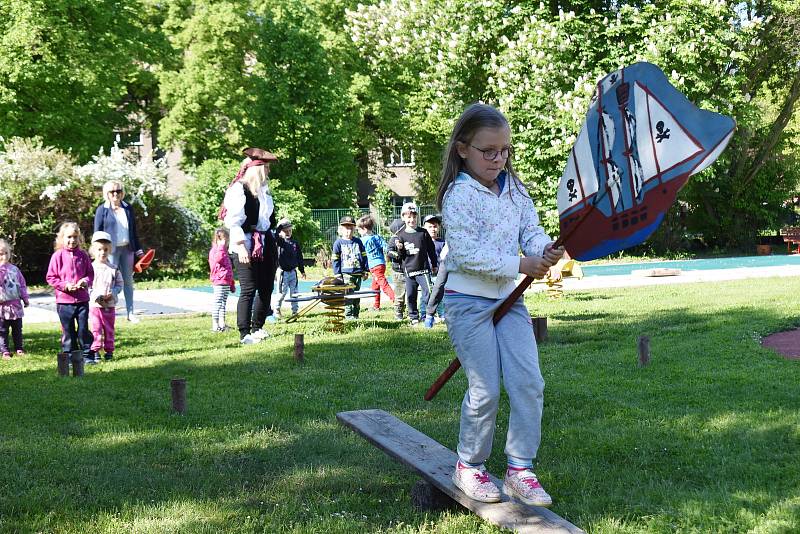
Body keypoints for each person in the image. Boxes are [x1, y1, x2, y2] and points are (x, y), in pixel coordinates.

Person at [439, 103, 563, 507]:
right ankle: (469, 466)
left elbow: (530, 230)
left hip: (508, 301)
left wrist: (543, 251)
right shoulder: (457, 195)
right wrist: (520, 264)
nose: (498, 159)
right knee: (485, 387)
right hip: (468, 301)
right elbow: (466, 253)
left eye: (505, 150)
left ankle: (520, 469)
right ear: (462, 149)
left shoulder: (515, 188)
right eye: (487, 151)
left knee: (529, 381)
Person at [223, 147, 280, 344]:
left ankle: (258, 327)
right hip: (245, 242)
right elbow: (233, 221)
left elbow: (268, 221)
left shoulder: (265, 192)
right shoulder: (239, 189)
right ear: (258, 170)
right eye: (267, 168)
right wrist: (240, 246)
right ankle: (244, 333)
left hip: (265, 242)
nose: (269, 173)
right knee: (249, 288)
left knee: (266, 287)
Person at [93, 180, 144, 323]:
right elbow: (97, 234)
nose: (115, 194)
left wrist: (139, 250)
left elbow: (133, 231)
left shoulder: (128, 208)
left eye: (118, 191)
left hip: (127, 249)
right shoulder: (102, 210)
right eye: (112, 192)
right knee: (108, 281)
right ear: (107, 194)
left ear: (122, 193)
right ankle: (106, 309)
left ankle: (130, 312)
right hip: (110, 251)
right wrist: (98, 253)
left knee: (128, 281)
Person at [46, 222, 95, 363]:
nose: (72, 240)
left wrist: (85, 281)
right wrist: (65, 285)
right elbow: (51, 277)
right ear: (62, 238)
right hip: (64, 302)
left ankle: (87, 355)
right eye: (69, 237)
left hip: (82, 301)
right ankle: (69, 355)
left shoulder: (83, 255)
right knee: (68, 331)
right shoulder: (57, 256)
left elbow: (90, 274)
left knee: (83, 329)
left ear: (79, 238)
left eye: (75, 237)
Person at [389, 202, 438, 326]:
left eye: (414, 216)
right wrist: (399, 249)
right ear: (403, 218)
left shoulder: (423, 232)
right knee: (411, 295)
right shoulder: (400, 235)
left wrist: (434, 264)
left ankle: (429, 314)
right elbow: (399, 258)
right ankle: (413, 317)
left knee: (429, 292)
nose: (412, 219)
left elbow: (431, 249)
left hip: (423, 270)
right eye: (409, 217)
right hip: (409, 271)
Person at [88, 231, 123, 362]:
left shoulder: (113, 269)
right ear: (93, 250)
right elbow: (88, 286)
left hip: (109, 305)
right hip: (95, 306)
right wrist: (96, 295)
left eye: (106, 249)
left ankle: (109, 351)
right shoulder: (90, 268)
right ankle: (95, 350)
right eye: (99, 249)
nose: (102, 252)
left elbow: (120, 284)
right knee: (95, 328)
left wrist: (113, 292)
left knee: (109, 328)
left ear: (110, 250)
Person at [331, 215, 368, 320]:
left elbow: (364, 256)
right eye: (346, 228)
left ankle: (356, 314)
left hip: (358, 273)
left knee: (356, 294)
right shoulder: (338, 243)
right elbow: (335, 260)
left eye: (351, 228)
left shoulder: (358, 242)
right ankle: (349, 315)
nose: (349, 231)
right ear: (341, 230)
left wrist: (365, 270)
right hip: (346, 273)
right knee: (348, 294)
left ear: (354, 229)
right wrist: (338, 274)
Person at [356, 214, 395, 311]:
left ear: (364, 229)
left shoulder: (362, 240)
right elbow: (386, 247)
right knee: (375, 286)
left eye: (359, 230)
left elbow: (360, 253)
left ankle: (396, 301)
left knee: (383, 284)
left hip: (374, 266)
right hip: (381, 264)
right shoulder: (377, 237)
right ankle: (376, 306)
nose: (358, 232)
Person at [0, 239, 30, 359]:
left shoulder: (14, 269)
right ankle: (4, 350)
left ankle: (19, 348)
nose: (3, 256)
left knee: (17, 329)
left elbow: (21, 285)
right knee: (2, 331)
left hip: (15, 306)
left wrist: (25, 298)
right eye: (0, 254)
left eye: (6, 253)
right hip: (2, 307)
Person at [274, 218, 306, 318]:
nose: (288, 233)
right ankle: (277, 309)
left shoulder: (295, 243)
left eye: (290, 230)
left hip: (293, 272)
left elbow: (299, 257)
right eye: (285, 231)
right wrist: (279, 229)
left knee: (295, 293)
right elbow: (275, 236)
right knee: (281, 293)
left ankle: (295, 311)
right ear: (281, 232)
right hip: (283, 272)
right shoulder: (280, 242)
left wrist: (302, 270)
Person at [208, 227, 236, 332]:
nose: (226, 242)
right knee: (217, 302)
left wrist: (231, 283)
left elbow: (228, 269)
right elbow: (217, 260)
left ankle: (222, 323)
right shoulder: (216, 251)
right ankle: (215, 325)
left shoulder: (224, 251)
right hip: (219, 281)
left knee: (223, 303)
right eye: (224, 239)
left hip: (226, 282)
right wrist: (220, 247)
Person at [423, 214, 446, 328]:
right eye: (430, 226)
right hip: (425, 272)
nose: (433, 229)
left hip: (438, 273)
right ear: (424, 227)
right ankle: (423, 314)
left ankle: (442, 314)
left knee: (439, 293)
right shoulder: (422, 242)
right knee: (426, 294)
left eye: (435, 226)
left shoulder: (442, 243)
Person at [387, 218, 407, 321]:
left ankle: (407, 310)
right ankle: (398, 312)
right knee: (400, 294)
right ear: (398, 230)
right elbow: (389, 252)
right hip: (398, 271)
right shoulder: (393, 239)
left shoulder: (406, 237)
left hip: (407, 270)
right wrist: (398, 255)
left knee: (410, 293)